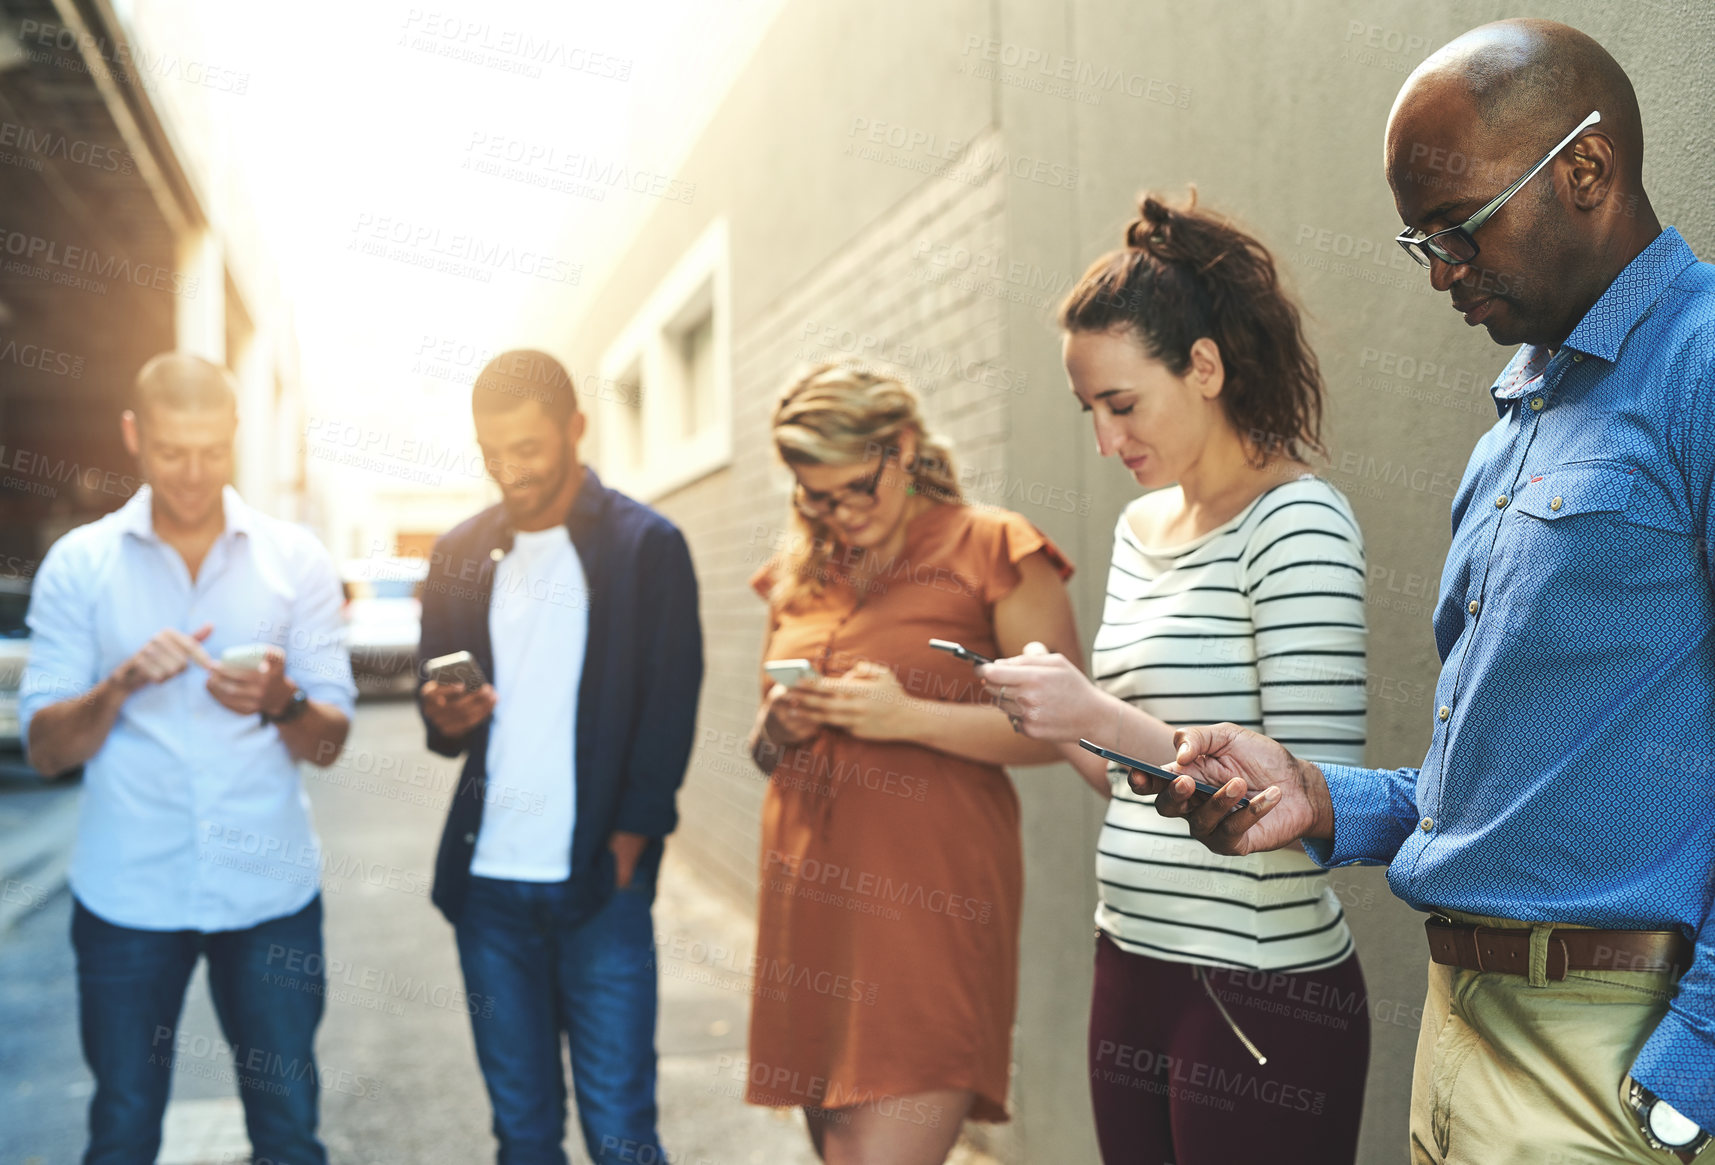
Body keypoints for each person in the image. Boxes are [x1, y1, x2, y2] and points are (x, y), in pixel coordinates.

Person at [1137, 20, 1715, 1165]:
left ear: (1585, 172)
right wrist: (1319, 798)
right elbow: (1497, 786)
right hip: (1456, 1031)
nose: (1442, 272)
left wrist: (1690, 1063)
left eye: (1457, 231)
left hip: (1610, 1055)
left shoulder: (1698, 365)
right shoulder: (1515, 427)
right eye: (1421, 242)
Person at [975, 192, 1371, 1163]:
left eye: (1121, 404)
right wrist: (1052, 715)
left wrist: (1091, 706)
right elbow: (1129, 780)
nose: (1106, 442)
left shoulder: (1298, 524)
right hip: (1130, 965)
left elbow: (1309, 795)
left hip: (1254, 990)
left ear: (1202, 366)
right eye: (1089, 413)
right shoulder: (1139, 528)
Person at [20, 352, 356, 1165]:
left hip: (268, 890)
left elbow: (331, 742)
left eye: (211, 450)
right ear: (134, 436)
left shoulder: (296, 560)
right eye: (172, 451)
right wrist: (122, 681)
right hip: (129, 893)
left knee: (286, 1129)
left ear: (236, 433)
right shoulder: (81, 564)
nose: (194, 472)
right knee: (125, 1127)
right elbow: (45, 749)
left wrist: (280, 701)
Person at [743, 361, 1081, 1165]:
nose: (837, 512)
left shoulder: (994, 546)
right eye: (812, 496)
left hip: (923, 907)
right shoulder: (799, 572)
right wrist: (777, 724)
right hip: (807, 908)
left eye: (855, 486)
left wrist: (909, 718)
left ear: (901, 447)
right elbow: (762, 752)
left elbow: (1063, 731)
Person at [416, 349, 703, 1165]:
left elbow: (669, 709)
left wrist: (629, 847)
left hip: (598, 889)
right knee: (523, 1136)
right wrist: (447, 714)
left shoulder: (649, 547)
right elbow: (441, 728)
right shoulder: (458, 554)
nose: (510, 470)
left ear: (576, 429)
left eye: (529, 448)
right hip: (488, 891)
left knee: (620, 1131)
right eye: (491, 452)